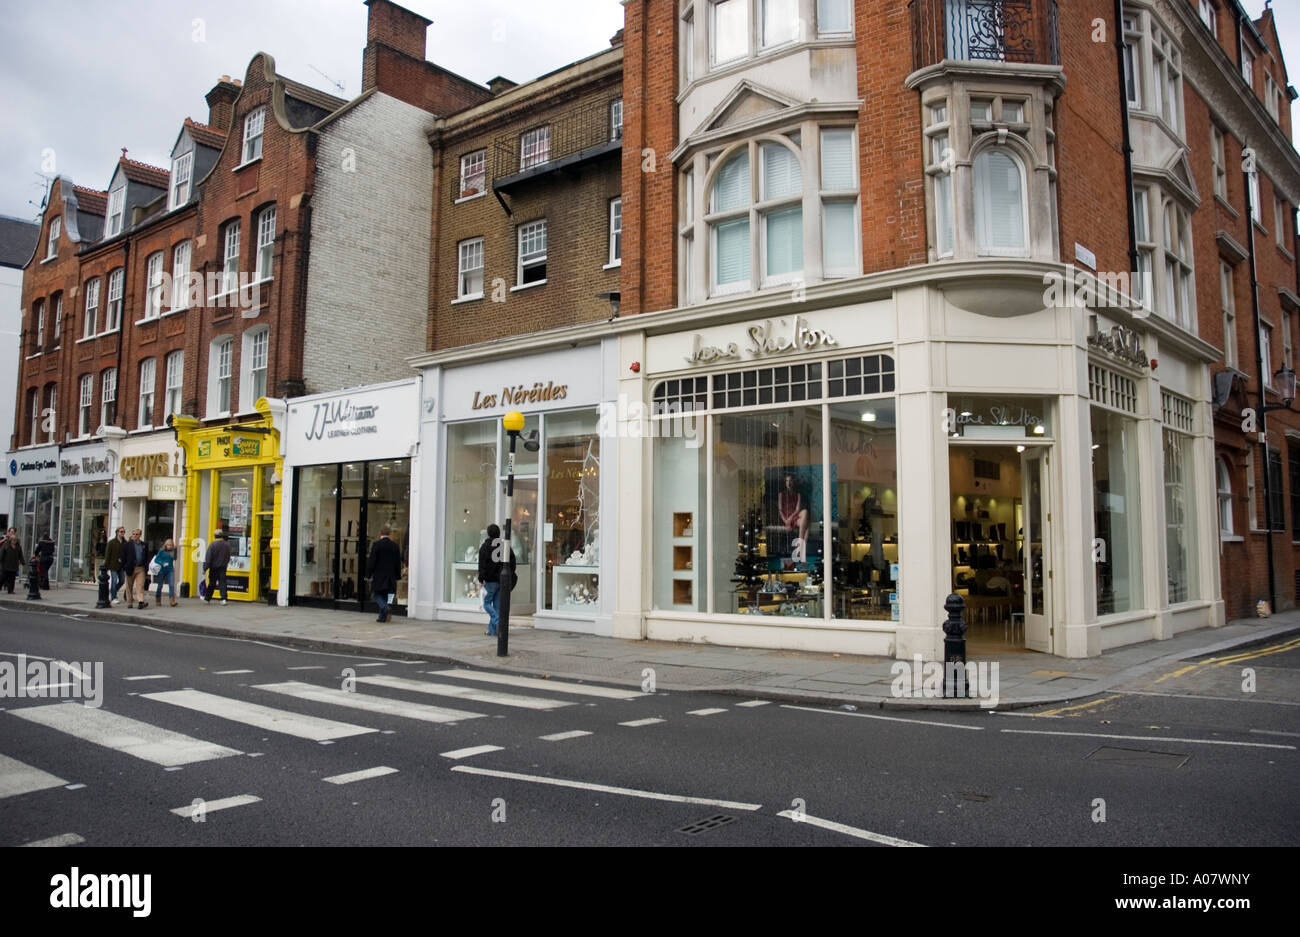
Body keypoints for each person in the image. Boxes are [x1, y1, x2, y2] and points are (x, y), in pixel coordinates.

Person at [476, 523, 516, 637]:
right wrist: (508, 573)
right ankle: (492, 631)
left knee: (486, 604)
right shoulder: (504, 546)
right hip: (501, 581)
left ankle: (498, 621)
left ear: (488, 534)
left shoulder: (485, 547)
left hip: (490, 581)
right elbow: (512, 561)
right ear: (498, 533)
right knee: (497, 606)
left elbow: (482, 565)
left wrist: (481, 579)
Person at [367, 524, 403, 623]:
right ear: (389, 534)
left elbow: (372, 561)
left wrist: (368, 574)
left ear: (380, 534)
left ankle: (385, 607)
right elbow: (397, 562)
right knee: (388, 595)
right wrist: (398, 576)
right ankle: (382, 617)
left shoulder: (377, 545)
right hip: (391, 576)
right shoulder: (395, 546)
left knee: (377, 595)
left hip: (379, 575)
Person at [202, 530, 231, 605]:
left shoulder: (212, 545)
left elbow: (208, 558)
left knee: (212, 583)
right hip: (223, 567)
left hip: (214, 567)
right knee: (222, 583)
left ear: (214, 535)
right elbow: (228, 557)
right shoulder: (227, 545)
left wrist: (205, 568)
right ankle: (223, 599)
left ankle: (207, 598)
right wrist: (225, 564)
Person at [121, 529, 148, 610]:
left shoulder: (144, 545)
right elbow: (123, 557)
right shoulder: (127, 545)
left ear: (140, 535)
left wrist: (146, 566)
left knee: (140, 585)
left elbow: (146, 556)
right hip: (130, 568)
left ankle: (141, 602)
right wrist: (125, 566)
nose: (135, 536)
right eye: (133, 534)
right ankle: (129, 602)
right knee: (129, 586)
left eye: (137, 534)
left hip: (140, 568)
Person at [153, 539, 177, 607]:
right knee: (160, 586)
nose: (169, 546)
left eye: (171, 545)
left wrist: (175, 550)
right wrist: (162, 563)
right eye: (168, 545)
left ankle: (172, 601)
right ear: (165, 545)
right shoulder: (161, 551)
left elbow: (175, 558)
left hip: (170, 570)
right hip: (162, 570)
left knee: (171, 585)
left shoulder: (172, 551)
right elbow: (156, 560)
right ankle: (158, 599)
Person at [105, 527, 126, 604]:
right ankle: (114, 597)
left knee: (122, 580)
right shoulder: (112, 542)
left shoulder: (125, 542)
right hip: (113, 565)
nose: (122, 533)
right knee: (114, 581)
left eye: (123, 532)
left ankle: (113, 591)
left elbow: (126, 554)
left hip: (121, 566)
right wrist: (106, 565)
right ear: (117, 532)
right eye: (121, 531)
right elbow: (107, 554)